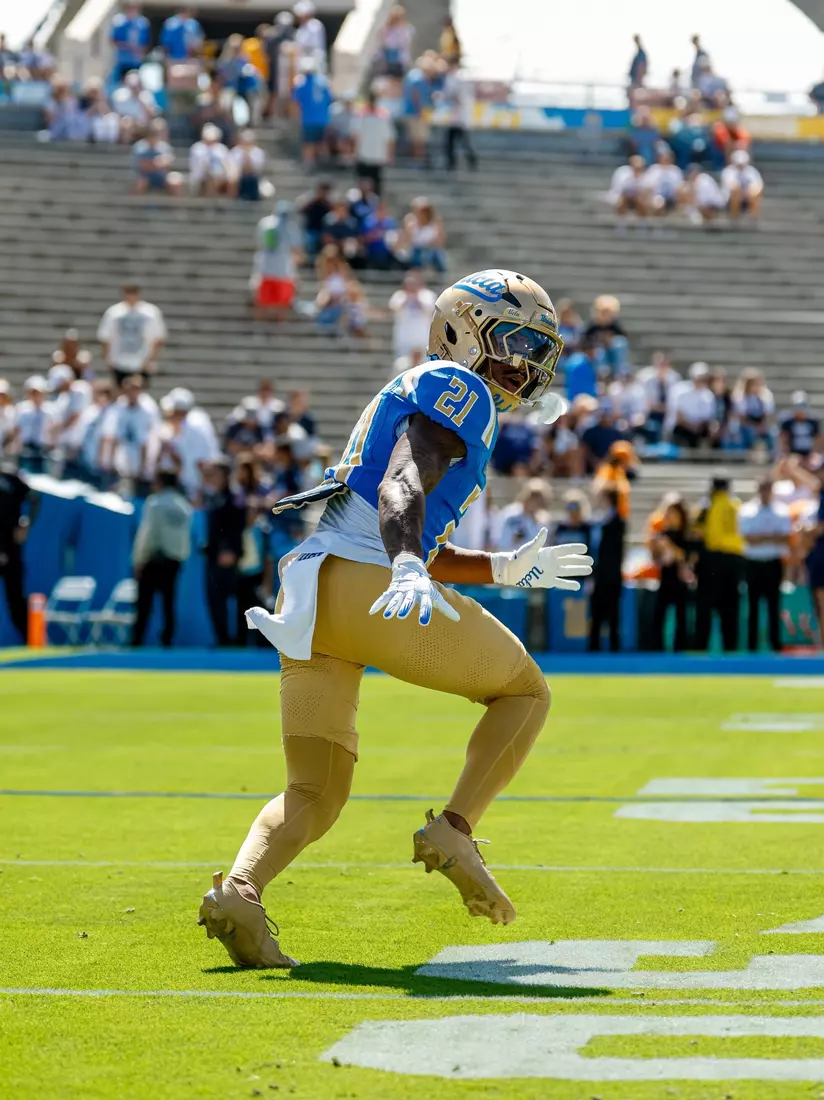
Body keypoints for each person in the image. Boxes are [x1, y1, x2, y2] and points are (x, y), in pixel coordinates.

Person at [198, 268, 592, 967]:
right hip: (373, 584)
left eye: (536, 349)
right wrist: (407, 562)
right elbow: (403, 482)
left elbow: (397, 513)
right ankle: (456, 828)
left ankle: (240, 891)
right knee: (526, 692)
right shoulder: (458, 386)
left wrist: (498, 568)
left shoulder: (435, 393)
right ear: (461, 331)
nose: (525, 364)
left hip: (317, 598)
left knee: (315, 790)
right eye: (511, 341)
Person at [131, 471, 192, 646]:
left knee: (144, 603)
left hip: (154, 557)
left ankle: (137, 639)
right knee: (169, 601)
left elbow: (147, 533)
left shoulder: (154, 503)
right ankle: (167, 639)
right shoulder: (184, 506)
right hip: (174, 560)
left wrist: (139, 558)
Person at [693, 472, 744, 652]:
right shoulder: (737, 505)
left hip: (711, 560)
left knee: (705, 610)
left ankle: (700, 648)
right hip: (734, 560)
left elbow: (695, 532)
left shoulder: (707, 505)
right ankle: (731, 649)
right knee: (730, 610)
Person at [738, 479, 791, 651]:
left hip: (773, 563)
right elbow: (749, 539)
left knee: (774, 606)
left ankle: (775, 646)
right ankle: (751, 647)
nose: (765, 492)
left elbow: (784, 537)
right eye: (762, 488)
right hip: (753, 563)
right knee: (752, 607)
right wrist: (771, 536)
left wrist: (760, 537)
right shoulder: (747, 510)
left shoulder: (781, 511)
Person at [202, 459, 247, 647]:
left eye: (216, 474)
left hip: (227, 556)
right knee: (214, 599)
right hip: (213, 555)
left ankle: (236, 640)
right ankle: (222, 639)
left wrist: (231, 551)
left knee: (233, 600)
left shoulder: (234, 497)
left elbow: (236, 527)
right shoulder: (214, 497)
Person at [98, 284, 166, 388]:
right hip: (120, 362)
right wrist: (108, 359)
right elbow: (105, 338)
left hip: (141, 363)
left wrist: (151, 359)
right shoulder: (114, 312)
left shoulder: (150, 312)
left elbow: (158, 338)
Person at [0, 457, 37, 643]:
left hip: (11, 548)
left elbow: (34, 498)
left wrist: (26, 524)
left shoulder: (10, 478)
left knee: (16, 600)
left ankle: (31, 641)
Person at [650, 496, 691, 651]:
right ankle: (657, 650)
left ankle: (680, 650)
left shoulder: (686, 534)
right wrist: (656, 548)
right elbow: (655, 559)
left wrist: (669, 546)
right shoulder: (661, 533)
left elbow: (685, 556)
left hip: (681, 581)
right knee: (658, 617)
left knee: (681, 618)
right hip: (665, 579)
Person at [250, 200, 304, 318]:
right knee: (282, 303)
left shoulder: (264, 223)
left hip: (264, 268)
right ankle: (279, 332)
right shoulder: (290, 226)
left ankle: (259, 332)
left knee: (263, 302)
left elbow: (258, 243)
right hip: (284, 271)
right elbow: (297, 250)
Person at [588, 487, 625, 653]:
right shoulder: (597, 520)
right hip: (597, 575)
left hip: (611, 576)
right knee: (595, 613)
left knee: (613, 614)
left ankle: (614, 649)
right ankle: (594, 649)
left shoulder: (618, 522)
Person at [351, 88, 394, 196]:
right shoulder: (384, 115)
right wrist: (389, 154)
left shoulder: (361, 115)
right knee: (375, 184)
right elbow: (389, 138)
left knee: (363, 181)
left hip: (364, 154)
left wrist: (354, 152)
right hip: (377, 154)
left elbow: (355, 135)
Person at [291, 56, 332, 169]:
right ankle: (324, 163)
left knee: (308, 143)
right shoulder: (323, 82)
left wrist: (297, 117)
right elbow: (329, 99)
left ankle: (309, 163)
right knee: (321, 142)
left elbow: (296, 102)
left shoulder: (301, 83)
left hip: (308, 119)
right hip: (323, 118)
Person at [389, 272, 436, 367]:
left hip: (422, 336)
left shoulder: (427, 295)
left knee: (423, 364)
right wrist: (407, 297)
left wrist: (416, 297)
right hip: (404, 337)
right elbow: (394, 308)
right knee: (402, 364)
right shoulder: (400, 295)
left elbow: (429, 310)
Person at [665, 361, 716, 447]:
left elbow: (708, 417)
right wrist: (691, 426)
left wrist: (699, 426)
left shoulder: (708, 395)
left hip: (699, 429)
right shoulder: (679, 390)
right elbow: (678, 417)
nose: (702, 381)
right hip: (680, 428)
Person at [440, 57, 477, 171]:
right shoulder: (450, 78)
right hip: (454, 115)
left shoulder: (460, 78)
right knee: (454, 140)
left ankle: (469, 160)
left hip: (460, 115)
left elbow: (459, 95)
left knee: (460, 140)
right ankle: (454, 163)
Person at [494, 479, 552, 552]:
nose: (535, 502)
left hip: (533, 560)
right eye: (533, 497)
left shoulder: (544, 519)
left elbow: (543, 545)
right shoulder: (510, 514)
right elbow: (501, 541)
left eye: (539, 498)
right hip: (509, 557)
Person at [132, 119, 182, 195]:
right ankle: (135, 206)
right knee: (141, 183)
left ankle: (178, 207)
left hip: (161, 176)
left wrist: (153, 163)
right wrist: (157, 163)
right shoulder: (139, 146)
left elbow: (168, 163)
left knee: (175, 181)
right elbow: (142, 166)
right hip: (145, 176)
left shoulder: (164, 146)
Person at [110, 2, 151, 82]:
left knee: (135, 80)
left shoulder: (142, 22)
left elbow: (146, 42)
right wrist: (127, 46)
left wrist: (141, 52)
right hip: (123, 59)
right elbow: (113, 40)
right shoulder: (119, 21)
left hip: (136, 59)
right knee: (121, 81)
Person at [189, 123, 233, 197]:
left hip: (220, 176)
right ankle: (209, 205)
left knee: (232, 179)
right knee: (211, 179)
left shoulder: (222, 149)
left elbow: (228, 164)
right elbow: (199, 168)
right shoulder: (197, 148)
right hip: (200, 177)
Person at [721, 150, 764, 221]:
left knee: (755, 194)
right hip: (730, 198)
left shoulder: (752, 171)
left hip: (747, 196)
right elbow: (731, 186)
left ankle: (753, 218)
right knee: (736, 192)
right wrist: (742, 191)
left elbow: (758, 185)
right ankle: (734, 217)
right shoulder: (728, 171)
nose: (740, 166)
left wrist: (749, 192)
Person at [609, 156, 651, 224]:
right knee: (623, 198)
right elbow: (619, 188)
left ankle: (642, 223)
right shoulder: (622, 172)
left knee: (641, 199)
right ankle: (621, 223)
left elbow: (648, 190)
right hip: (622, 197)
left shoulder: (646, 175)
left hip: (640, 200)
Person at [779, 391, 820, 458]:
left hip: (809, 454)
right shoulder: (787, 422)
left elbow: (818, 439)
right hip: (793, 454)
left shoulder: (813, 421)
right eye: (798, 406)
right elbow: (783, 440)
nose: (801, 409)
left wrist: (815, 453)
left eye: (803, 406)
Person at [229, 129, 266, 202]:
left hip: (253, 176)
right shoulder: (235, 151)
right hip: (238, 176)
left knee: (252, 178)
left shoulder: (258, 152)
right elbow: (232, 166)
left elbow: (258, 168)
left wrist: (247, 159)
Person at [293, 0, 327, 70]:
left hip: (313, 64)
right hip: (303, 64)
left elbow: (313, 45)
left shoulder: (314, 25)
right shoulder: (302, 28)